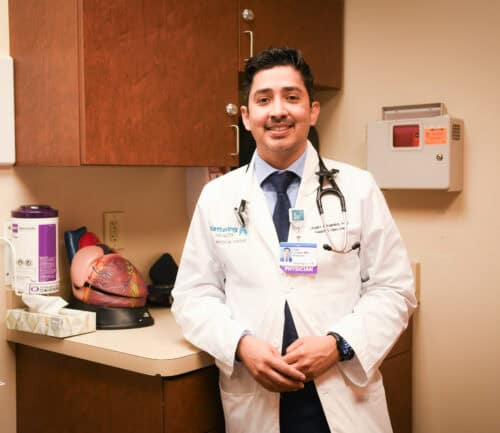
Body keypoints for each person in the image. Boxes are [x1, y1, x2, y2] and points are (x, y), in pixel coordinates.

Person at [172, 48, 417, 433]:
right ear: (246, 116)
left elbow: (394, 290)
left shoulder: (358, 188)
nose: (278, 111)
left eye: (291, 97)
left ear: (312, 110)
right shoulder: (217, 197)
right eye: (264, 99)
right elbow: (192, 295)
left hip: (342, 390)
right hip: (257, 394)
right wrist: (241, 344)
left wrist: (339, 343)